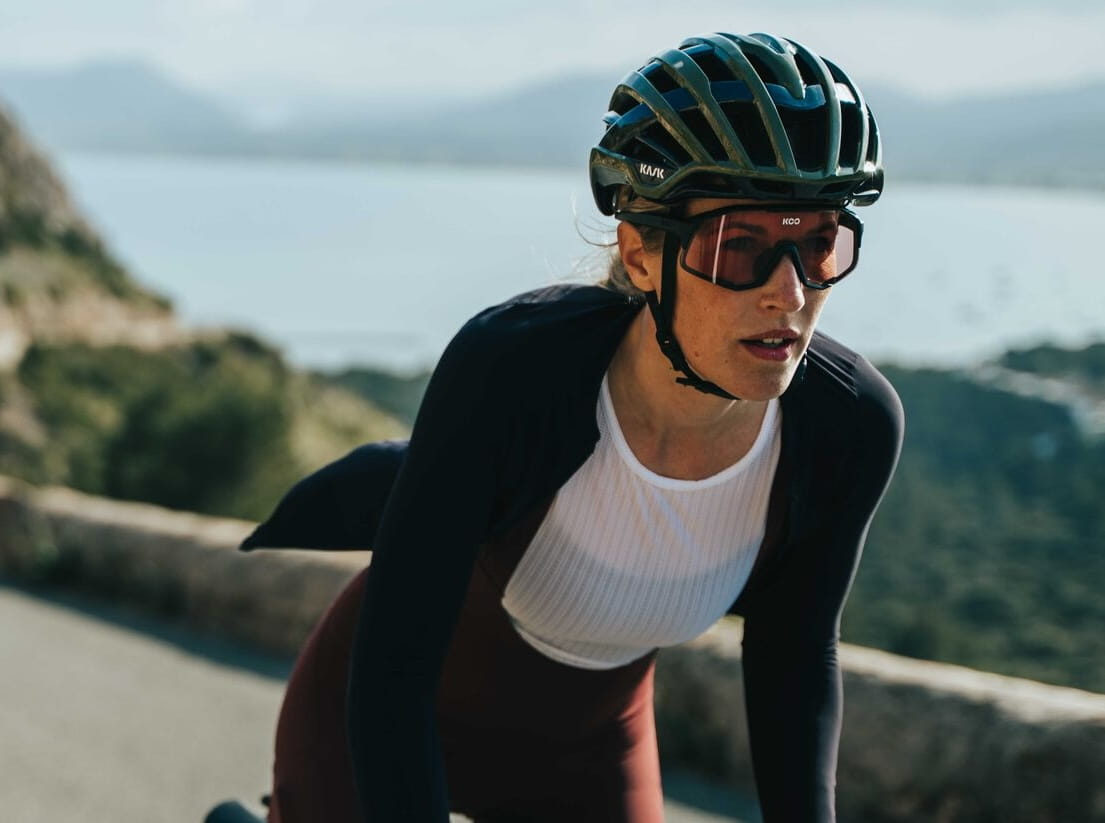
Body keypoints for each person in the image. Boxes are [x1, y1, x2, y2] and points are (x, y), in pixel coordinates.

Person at [241, 31, 903, 823]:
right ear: (641, 254)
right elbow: (394, 672)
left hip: (591, 748)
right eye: (739, 247)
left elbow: (791, 658)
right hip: (388, 712)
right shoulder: (512, 369)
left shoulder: (846, 425)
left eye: (817, 244)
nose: (787, 294)